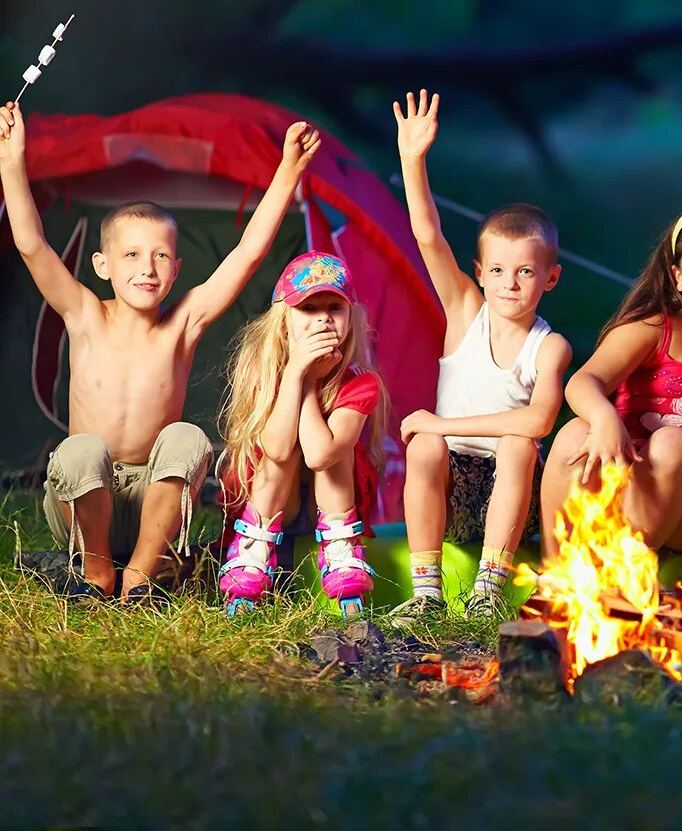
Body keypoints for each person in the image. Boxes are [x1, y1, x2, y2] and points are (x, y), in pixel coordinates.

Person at [0, 100, 317, 603]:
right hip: (84, 501)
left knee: (188, 438)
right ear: (101, 264)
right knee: (82, 448)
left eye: (160, 256)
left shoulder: (183, 324)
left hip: (157, 497)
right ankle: (98, 571)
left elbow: (248, 253)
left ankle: (142, 573)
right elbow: (32, 243)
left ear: (176, 268)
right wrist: (12, 161)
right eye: (131, 255)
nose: (146, 268)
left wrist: (287, 173)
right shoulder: (84, 314)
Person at [386, 90, 571, 622]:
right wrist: (411, 159)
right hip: (452, 491)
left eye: (526, 272)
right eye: (496, 271)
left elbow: (538, 422)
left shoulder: (549, 346)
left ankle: (489, 587)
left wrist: (443, 423)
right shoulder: (466, 310)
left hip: (513, 501)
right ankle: (427, 595)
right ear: (479, 270)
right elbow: (427, 235)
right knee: (423, 446)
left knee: (517, 444)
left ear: (550, 278)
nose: (508, 285)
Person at [538, 201, 682, 558]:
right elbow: (583, 381)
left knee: (673, 441)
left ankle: (623, 573)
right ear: (678, 278)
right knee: (574, 432)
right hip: (619, 477)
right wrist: (604, 417)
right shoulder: (656, 328)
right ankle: (555, 575)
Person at [217, 252, 389, 617]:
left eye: (334, 307)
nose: (324, 318)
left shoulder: (360, 382)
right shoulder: (262, 368)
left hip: (330, 507)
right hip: (270, 501)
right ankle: (252, 552)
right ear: (285, 322)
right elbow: (277, 450)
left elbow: (320, 456)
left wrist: (310, 381)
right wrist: (294, 372)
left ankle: (342, 548)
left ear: (350, 316)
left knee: (332, 451)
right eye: (308, 309)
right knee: (283, 452)